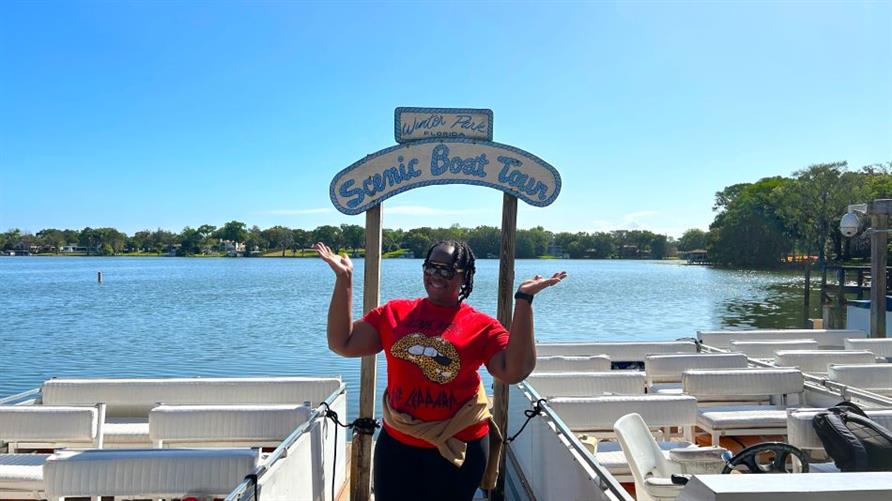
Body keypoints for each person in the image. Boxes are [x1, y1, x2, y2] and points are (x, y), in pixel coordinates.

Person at [315, 239, 566, 501]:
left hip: (458, 448)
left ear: (465, 276)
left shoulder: (481, 325)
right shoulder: (394, 313)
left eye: (447, 269)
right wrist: (344, 279)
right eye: (431, 266)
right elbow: (342, 343)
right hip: (398, 444)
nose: (436, 274)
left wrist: (524, 300)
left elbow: (514, 371)